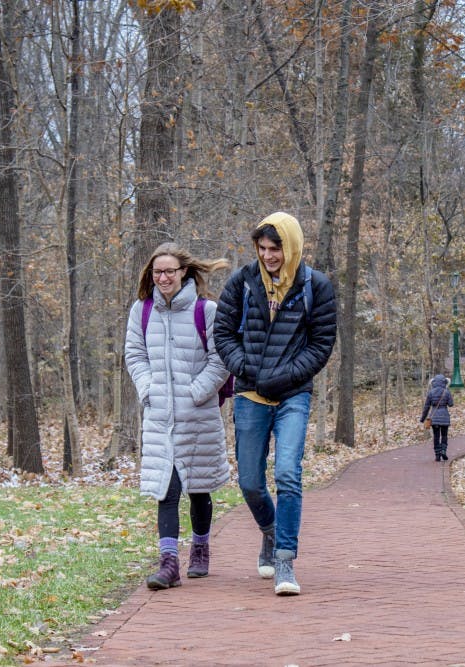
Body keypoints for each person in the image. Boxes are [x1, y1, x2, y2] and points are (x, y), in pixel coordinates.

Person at [213, 212, 337, 596]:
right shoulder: (243, 282)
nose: (268, 255)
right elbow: (222, 333)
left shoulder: (316, 286)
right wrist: (245, 367)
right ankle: (269, 530)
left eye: (276, 248)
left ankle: (285, 559)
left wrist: (284, 376)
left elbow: (321, 345)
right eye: (263, 248)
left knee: (287, 473)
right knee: (250, 481)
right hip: (250, 393)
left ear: (292, 246)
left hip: (293, 395)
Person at [124, 242, 232, 590]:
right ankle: (169, 564)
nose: (164, 277)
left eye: (170, 270)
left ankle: (200, 548)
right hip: (159, 417)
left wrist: (196, 392)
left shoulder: (207, 310)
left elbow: (221, 359)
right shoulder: (142, 311)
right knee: (166, 490)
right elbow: (134, 354)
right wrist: (148, 389)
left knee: (198, 488)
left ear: (184, 271)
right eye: (158, 272)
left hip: (196, 414)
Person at [420, 374, 454, 461]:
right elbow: (451, 404)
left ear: (434, 382)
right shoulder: (446, 391)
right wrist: (448, 392)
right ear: (444, 382)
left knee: (436, 436)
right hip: (444, 417)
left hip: (434, 417)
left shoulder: (431, 392)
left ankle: (437, 455)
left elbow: (426, 407)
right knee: (444, 435)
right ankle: (443, 451)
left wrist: (423, 418)